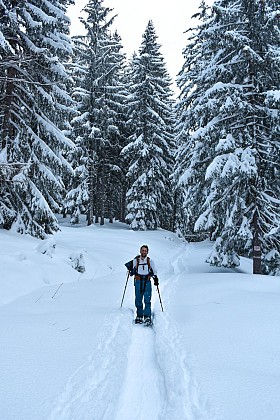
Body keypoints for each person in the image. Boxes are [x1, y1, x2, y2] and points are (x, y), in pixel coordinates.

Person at [126, 245, 159, 325]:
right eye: (142, 250)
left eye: (145, 251)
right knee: (138, 299)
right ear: (140, 251)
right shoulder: (136, 261)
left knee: (147, 299)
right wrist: (130, 272)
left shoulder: (150, 261)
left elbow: (154, 271)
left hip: (147, 281)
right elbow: (133, 270)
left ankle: (147, 316)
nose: (144, 252)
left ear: (147, 252)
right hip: (138, 281)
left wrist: (155, 279)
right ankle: (139, 316)